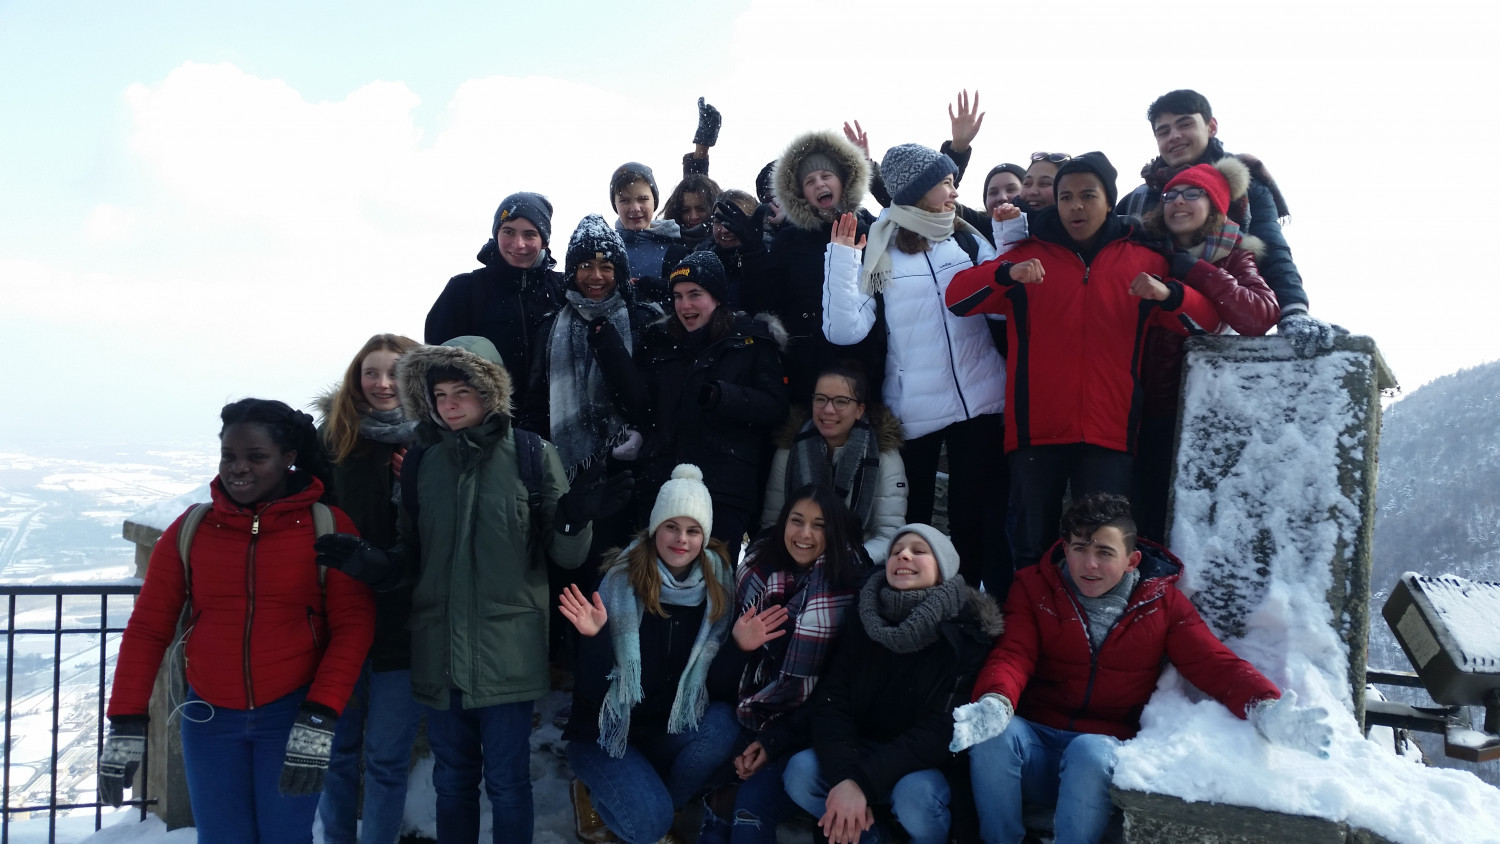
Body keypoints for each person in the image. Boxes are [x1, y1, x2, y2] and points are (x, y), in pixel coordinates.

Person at [314, 335, 631, 844]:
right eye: (439, 395)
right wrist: (375, 565)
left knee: (507, 783)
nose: (449, 405)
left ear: (490, 392)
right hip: (439, 654)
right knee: (452, 782)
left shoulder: (530, 454)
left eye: (461, 392)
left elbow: (565, 556)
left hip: (507, 654)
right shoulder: (423, 462)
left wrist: (573, 519)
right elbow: (411, 555)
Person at [952, 494, 1333, 844]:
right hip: (1036, 739)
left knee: (1089, 750)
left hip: (1102, 748)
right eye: (1079, 548)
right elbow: (1014, 653)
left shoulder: (1162, 604)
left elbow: (1213, 662)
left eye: (1104, 552)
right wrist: (996, 700)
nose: (1089, 564)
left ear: (1131, 560)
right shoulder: (1034, 588)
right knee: (996, 736)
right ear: (1065, 549)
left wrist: (1264, 707)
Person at [100, 399, 375, 843]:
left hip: (292, 714)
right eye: (229, 456)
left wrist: (319, 716)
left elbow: (353, 626)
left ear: (288, 459)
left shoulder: (326, 525)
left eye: (256, 456)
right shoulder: (193, 529)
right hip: (209, 718)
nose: (238, 468)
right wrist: (126, 722)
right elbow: (149, 628)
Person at [945, 151, 1224, 571]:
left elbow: (1208, 324)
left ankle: (1096, 617)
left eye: (1088, 195)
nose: (1076, 206)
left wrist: (1170, 295)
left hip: (1109, 433)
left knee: (1102, 550)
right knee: (1031, 549)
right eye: (1066, 197)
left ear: (1109, 201)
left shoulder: (1145, 261)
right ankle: (1030, 615)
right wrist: (1003, 274)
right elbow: (957, 299)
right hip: (1035, 433)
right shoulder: (1026, 256)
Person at [823, 143, 1011, 596]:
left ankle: (969, 606)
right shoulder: (881, 247)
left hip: (982, 400)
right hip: (916, 411)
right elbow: (845, 331)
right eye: (945, 183)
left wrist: (1007, 248)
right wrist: (842, 260)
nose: (954, 192)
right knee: (916, 518)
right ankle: (913, 607)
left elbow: (1001, 309)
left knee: (974, 516)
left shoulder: (966, 238)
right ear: (917, 191)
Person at [780, 524, 1002, 844]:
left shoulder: (967, 632)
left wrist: (862, 783)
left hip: (927, 764)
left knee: (916, 798)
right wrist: (845, 777)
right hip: (862, 748)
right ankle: (872, 836)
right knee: (800, 772)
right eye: (896, 551)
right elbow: (833, 698)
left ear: (943, 569)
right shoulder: (864, 614)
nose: (904, 556)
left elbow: (944, 729)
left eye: (918, 551)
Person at [561, 464, 739, 844]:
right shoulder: (619, 582)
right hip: (605, 735)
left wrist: (739, 645)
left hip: (664, 731)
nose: (681, 539)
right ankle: (602, 792)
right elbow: (591, 692)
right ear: (656, 528)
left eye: (693, 530)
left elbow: (717, 689)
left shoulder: (718, 587)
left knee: (724, 724)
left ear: (705, 537)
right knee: (647, 826)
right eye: (671, 526)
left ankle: (656, 803)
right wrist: (596, 638)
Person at [698, 485, 873, 844]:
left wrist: (773, 742)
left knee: (748, 810)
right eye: (797, 520)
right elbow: (715, 682)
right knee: (716, 801)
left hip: (806, 733)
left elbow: (837, 694)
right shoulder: (753, 571)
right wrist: (738, 647)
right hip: (743, 715)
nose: (805, 534)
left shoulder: (851, 591)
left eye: (819, 525)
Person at [1114, 88, 1339, 357]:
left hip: (1217, 339)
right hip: (1138, 344)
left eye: (1185, 124)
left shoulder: (1249, 190)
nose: (1174, 136)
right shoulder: (1138, 198)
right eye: (1163, 131)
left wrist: (1294, 309)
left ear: (1211, 127)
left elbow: (1272, 249)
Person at [1133, 158, 1280, 541]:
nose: (1179, 202)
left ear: (1215, 205)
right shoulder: (1144, 248)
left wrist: (1199, 272)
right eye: (1171, 195)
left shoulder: (1234, 254)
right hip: (1137, 405)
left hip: (1198, 408)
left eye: (1192, 193)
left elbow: (1259, 315)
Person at [316, 334, 424, 844]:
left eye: (394, 372)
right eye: (371, 372)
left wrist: (418, 482)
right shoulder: (335, 442)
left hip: (406, 621)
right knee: (335, 752)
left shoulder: (437, 439)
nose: (382, 383)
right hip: (341, 615)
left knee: (386, 758)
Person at [637, 251, 788, 558]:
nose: (685, 306)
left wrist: (724, 396)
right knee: (656, 577)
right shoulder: (661, 341)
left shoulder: (750, 341)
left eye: (695, 294)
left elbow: (775, 406)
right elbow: (645, 406)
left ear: (717, 297)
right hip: (665, 484)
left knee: (715, 578)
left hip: (724, 488)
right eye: (678, 296)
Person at [760, 128, 881, 402]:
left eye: (826, 176)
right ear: (800, 192)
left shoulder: (872, 231)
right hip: (807, 364)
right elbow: (772, 299)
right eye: (810, 180)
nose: (819, 184)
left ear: (843, 181)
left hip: (863, 364)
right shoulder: (788, 240)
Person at [425, 191, 562, 431]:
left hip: (554, 429)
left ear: (544, 241)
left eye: (529, 234)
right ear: (496, 233)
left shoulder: (563, 290)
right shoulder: (464, 290)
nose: (518, 244)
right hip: (485, 435)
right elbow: (437, 371)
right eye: (508, 231)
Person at [761, 362, 907, 563]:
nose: (828, 410)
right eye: (820, 399)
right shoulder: (789, 450)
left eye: (841, 401)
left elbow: (889, 534)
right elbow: (772, 523)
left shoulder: (883, 457)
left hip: (857, 563)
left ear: (859, 410)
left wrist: (851, 561)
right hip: (795, 559)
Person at [610, 162, 693, 307]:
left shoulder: (676, 252)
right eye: (624, 201)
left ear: (654, 201)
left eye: (643, 199)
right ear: (615, 205)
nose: (635, 208)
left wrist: (660, 288)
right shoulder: (606, 251)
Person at [661, 173, 723, 251]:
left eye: (701, 209)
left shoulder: (727, 243)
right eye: (685, 210)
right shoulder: (663, 245)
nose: (694, 216)